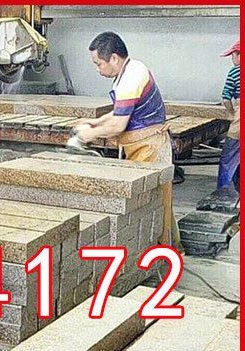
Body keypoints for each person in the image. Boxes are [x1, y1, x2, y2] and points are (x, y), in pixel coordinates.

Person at [75, 32, 180, 248]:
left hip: (150, 147)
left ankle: (163, 252)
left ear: (114, 58)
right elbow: (120, 111)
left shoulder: (132, 77)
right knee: (156, 202)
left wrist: (89, 135)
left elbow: (118, 125)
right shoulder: (129, 71)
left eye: (98, 64)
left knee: (155, 203)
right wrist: (95, 122)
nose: (97, 69)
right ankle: (167, 247)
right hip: (142, 146)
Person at [217, 40, 240, 195]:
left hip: (240, 123)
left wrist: (232, 113)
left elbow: (226, 98)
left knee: (228, 158)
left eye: (233, 55)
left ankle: (224, 194)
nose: (232, 59)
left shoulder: (235, 72)